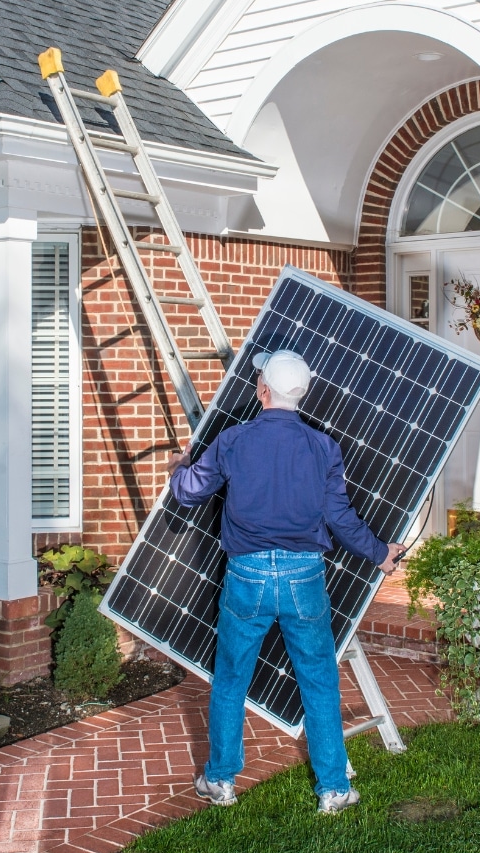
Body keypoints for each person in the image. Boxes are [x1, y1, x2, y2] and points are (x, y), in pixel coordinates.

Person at [167, 349, 402, 814]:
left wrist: (180, 465)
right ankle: (333, 788)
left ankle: (219, 780)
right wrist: (380, 554)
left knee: (232, 679)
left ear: (263, 390)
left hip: (246, 576)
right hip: (304, 577)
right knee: (318, 680)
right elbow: (340, 517)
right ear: (302, 393)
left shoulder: (233, 441)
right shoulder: (323, 447)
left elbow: (189, 492)